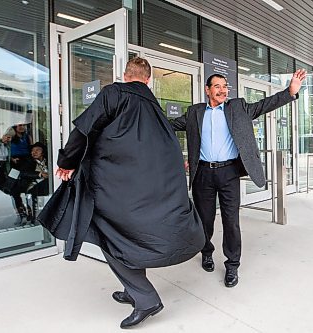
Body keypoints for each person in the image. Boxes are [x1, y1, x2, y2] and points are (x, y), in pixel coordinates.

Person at [54, 57, 204, 329]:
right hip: (151, 189)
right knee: (128, 236)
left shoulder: (114, 93)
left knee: (110, 234)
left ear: (125, 75)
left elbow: (84, 129)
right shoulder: (155, 108)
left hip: (120, 189)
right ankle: (133, 289)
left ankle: (145, 298)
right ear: (148, 80)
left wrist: (66, 161)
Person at [170, 69, 306, 288]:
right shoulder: (195, 112)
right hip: (203, 172)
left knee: (231, 221)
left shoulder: (238, 107)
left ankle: (232, 265)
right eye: (218, 86)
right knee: (204, 220)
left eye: (225, 86)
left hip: (229, 173)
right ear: (207, 90)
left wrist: (290, 92)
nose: (223, 90)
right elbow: (170, 126)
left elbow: (264, 104)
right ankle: (206, 252)